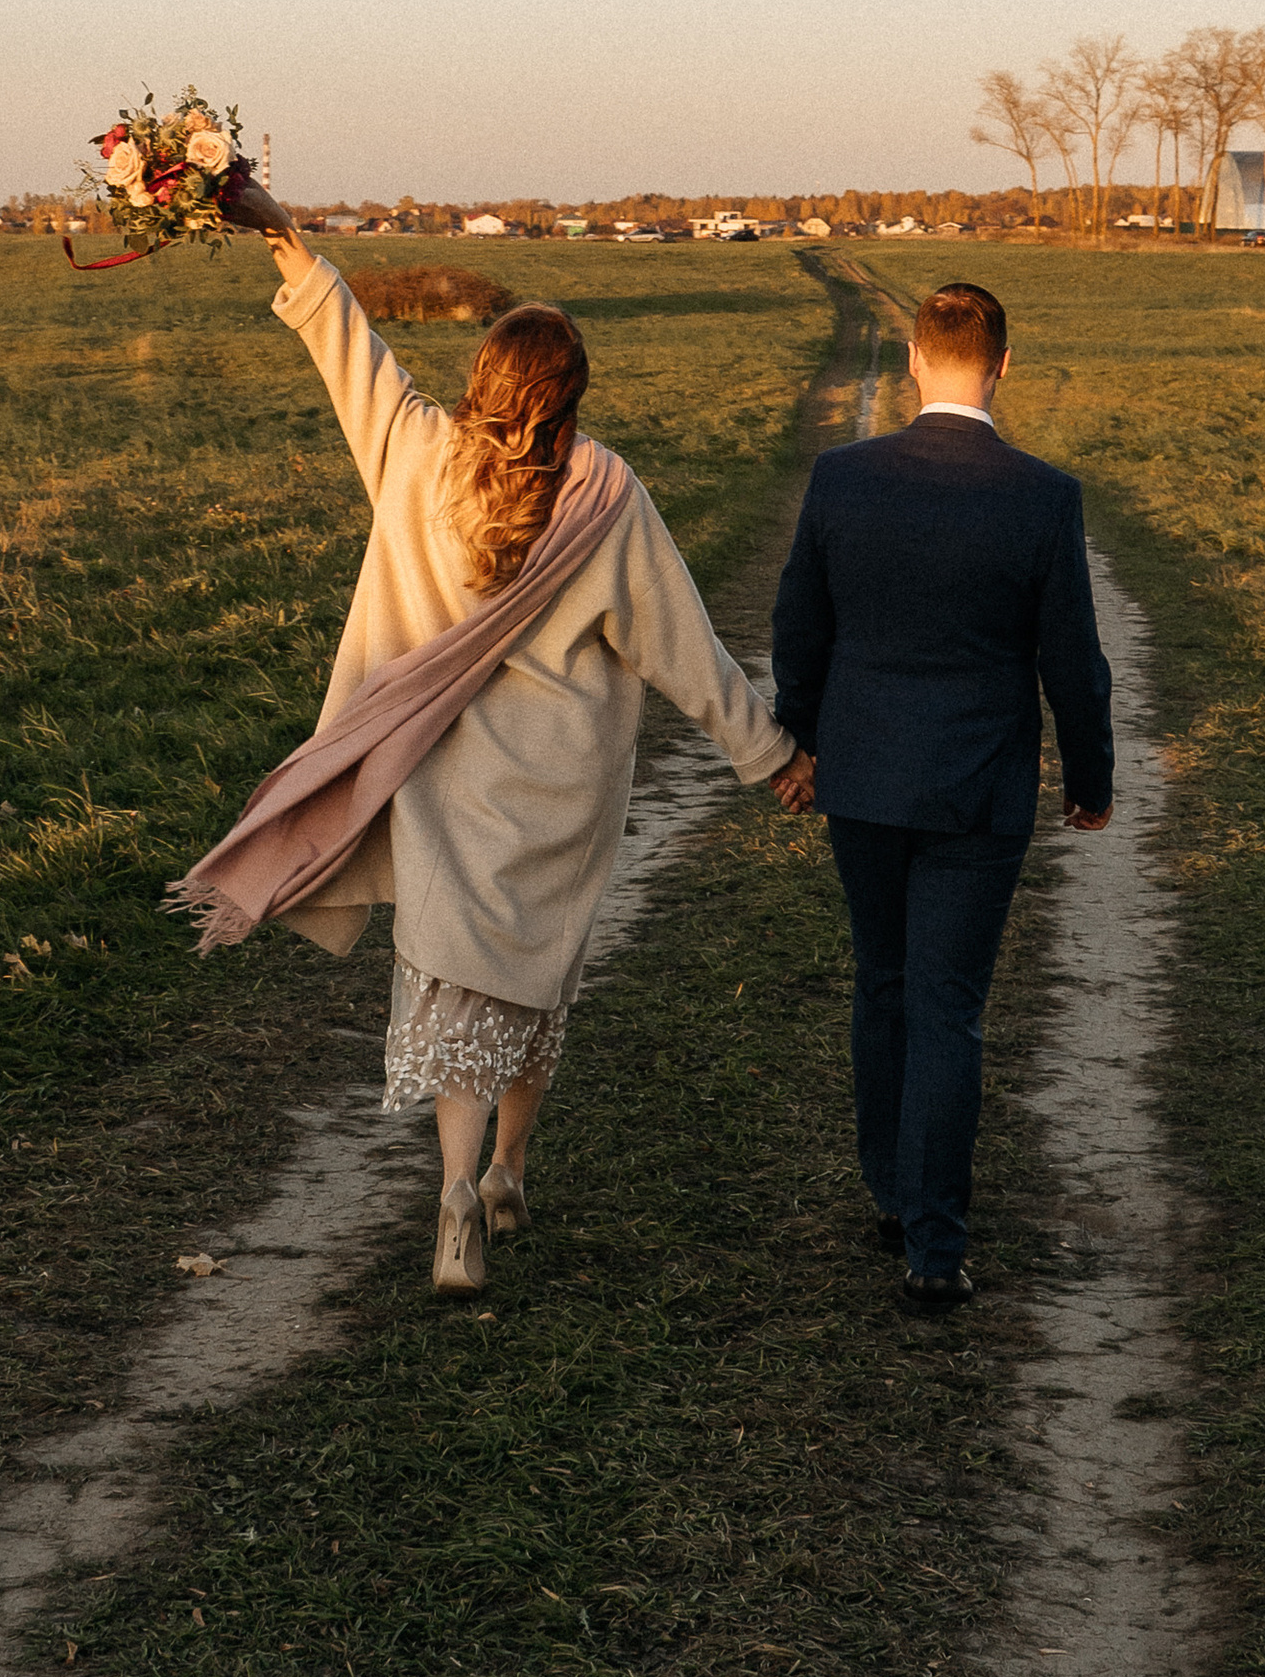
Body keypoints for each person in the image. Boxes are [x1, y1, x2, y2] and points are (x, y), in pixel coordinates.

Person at [171, 190, 815, 1293]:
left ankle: (460, 1193)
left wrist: (273, 221)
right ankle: (514, 1169)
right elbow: (688, 654)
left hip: (439, 785)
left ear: (482, 382)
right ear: (570, 403)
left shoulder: (415, 455)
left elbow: (345, 344)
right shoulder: (608, 498)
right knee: (529, 982)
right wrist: (773, 757)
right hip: (558, 789)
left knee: (449, 979)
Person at [768, 279, 1112, 1313]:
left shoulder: (841, 478)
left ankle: (889, 1188)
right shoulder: (1042, 495)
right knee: (947, 1008)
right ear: (1004, 364)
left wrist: (802, 739)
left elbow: (798, 627)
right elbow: (1074, 662)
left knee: (882, 981)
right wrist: (1089, 781)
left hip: (863, 775)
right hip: (978, 785)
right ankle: (934, 1243)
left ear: (914, 361)